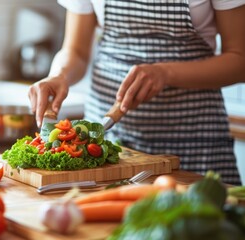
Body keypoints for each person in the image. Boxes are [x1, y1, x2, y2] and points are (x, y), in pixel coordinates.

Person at [28, 0, 245, 185]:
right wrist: (59, 75)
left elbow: (239, 59)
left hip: (194, 141)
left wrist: (166, 72)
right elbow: (75, 51)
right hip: (107, 140)